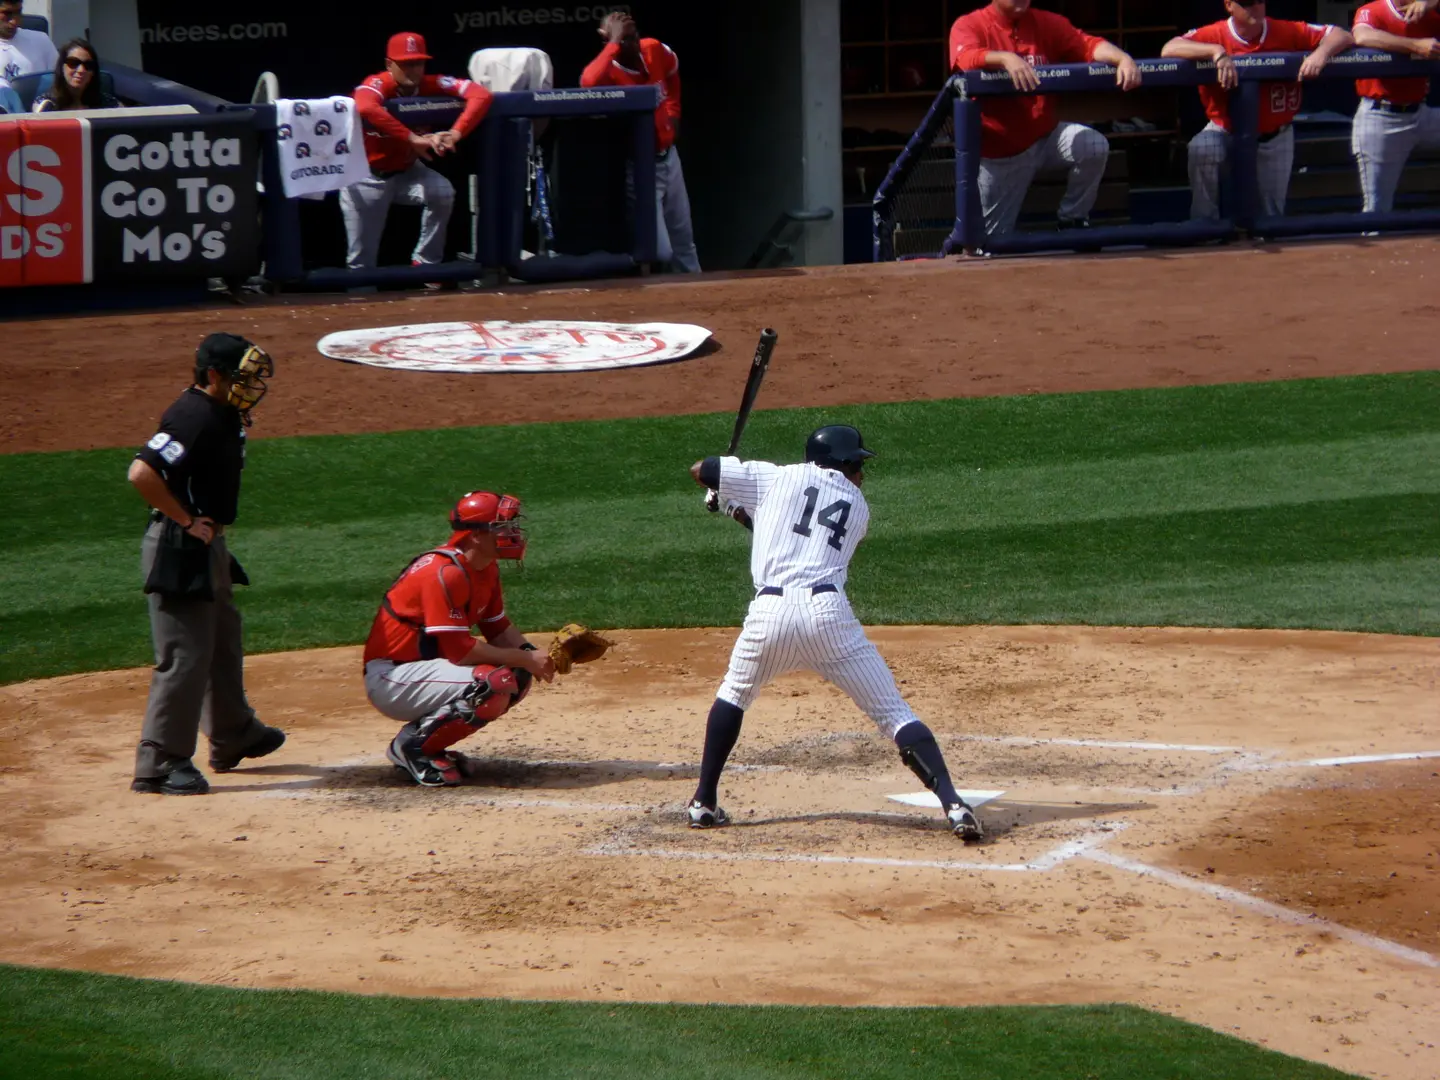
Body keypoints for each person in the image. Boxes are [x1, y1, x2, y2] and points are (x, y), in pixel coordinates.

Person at [686, 426, 984, 842]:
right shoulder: (858, 507)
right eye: (856, 464)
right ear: (839, 464)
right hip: (828, 618)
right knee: (894, 713)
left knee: (734, 694)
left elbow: (701, 469)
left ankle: (703, 802)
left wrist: (724, 491)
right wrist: (734, 506)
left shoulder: (776, 477)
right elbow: (800, 540)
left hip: (769, 616)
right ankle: (953, 804)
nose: (860, 473)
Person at [127, 334, 285, 796]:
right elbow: (142, 472)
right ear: (213, 376)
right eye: (242, 376)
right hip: (180, 545)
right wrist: (186, 520)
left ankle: (233, 732)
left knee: (222, 639)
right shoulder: (192, 415)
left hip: (207, 542)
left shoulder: (222, 412)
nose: (252, 385)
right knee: (185, 656)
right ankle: (160, 762)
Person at [362, 492, 556, 787]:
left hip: (427, 672)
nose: (512, 532)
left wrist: (537, 656)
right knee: (492, 683)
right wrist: (525, 658)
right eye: (502, 526)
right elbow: (461, 652)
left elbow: (499, 628)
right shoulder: (444, 573)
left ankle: (430, 744)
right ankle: (411, 748)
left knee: (517, 674)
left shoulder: (485, 568)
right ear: (476, 536)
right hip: (393, 677)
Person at [949, 0, 1142, 239]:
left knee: (1093, 145)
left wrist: (1122, 58)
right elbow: (965, 57)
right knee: (989, 242)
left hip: (1046, 138)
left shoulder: (1045, 22)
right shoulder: (970, 24)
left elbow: (1087, 44)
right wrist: (1004, 59)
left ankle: (1072, 219)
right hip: (1002, 154)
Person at [1161, 4, 1353, 222]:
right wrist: (1215, 51)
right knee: (1201, 149)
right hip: (1225, 131)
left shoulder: (1285, 30)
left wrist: (1321, 54)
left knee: (1271, 218)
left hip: (1274, 136)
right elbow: (1169, 48)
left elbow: (1342, 35)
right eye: (1246, 3)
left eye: (1258, 2)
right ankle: (1205, 223)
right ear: (1229, 5)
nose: (1254, 8)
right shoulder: (1214, 34)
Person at [342, 32, 492, 273]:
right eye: (406, 64)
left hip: (408, 172)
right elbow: (365, 105)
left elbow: (481, 94)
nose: (414, 70)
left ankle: (426, 264)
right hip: (367, 177)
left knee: (443, 192)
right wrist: (412, 138)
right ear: (390, 65)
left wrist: (455, 133)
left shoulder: (430, 83)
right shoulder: (379, 83)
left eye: (418, 63)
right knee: (361, 263)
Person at [580, 11, 700, 273]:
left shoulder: (653, 49)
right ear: (609, 42)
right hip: (642, 168)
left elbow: (673, 72)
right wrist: (614, 42)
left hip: (670, 157)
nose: (633, 45)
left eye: (634, 37)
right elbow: (587, 83)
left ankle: (698, 295)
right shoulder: (608, 71)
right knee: (661, 251)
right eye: (626, 41)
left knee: (684, 242)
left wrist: (673, 113)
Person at [1350, 0, 1440, 213]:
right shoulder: (1374, 10)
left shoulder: (1429, 14)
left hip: (1421, 114)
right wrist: (1415, 45)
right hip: (1380, 117)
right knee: (1377, 209)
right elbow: (1362, 35)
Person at [31, 38, 115, 111]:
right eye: (73, 63)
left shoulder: (107, 103)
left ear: (93, 72)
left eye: (88, 65)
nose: (81, 70)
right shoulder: (46, 104)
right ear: (62, 67)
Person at [0, 0, 56, 83]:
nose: (14, 22)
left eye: (18, 13)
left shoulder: (41, 41)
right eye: (7, 14)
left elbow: (60, 81)